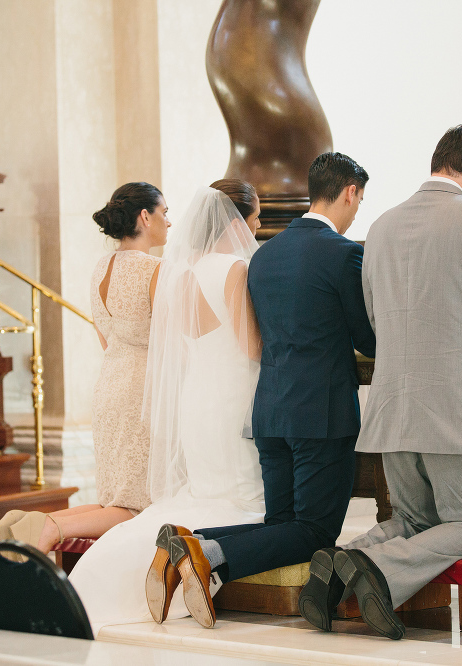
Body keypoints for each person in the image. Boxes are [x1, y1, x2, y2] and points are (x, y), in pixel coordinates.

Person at [299, 125, 462, 640]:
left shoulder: (379, 227)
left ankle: (342, 560)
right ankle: (377, 571)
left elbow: (377, 321)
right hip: (460, 412)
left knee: (416, 523)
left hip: (394, 409)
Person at [148, 153, 376, 629]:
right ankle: (204, 548)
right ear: (350, 192)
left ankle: (196, 549)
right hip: (322, 413)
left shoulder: (265, 255)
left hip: (270, 411)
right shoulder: (343, 253)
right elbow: (365, 337)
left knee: (283, 526)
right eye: (359, 198)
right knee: (313, 530)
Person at [67, 179, 267, 634]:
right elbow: (252, 347)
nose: (257, 226)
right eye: (254, 217)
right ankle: (186, 557)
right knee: (242, 501)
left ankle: (113, 574)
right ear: (235, 220)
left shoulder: (183, 272)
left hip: (196, 399)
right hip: (232, 399)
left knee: (198, 495)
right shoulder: (234, 268)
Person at [0, 182, 170, 551]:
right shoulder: (156, 270)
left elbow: (105, 337)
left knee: (114, 500)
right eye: (165, 213)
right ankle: (49, 529)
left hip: (109, 385)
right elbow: (171, 346)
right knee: (135, 507)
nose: (170, 221)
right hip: (143, 390)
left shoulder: (101, 267)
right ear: (145, 216)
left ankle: (24, 523)